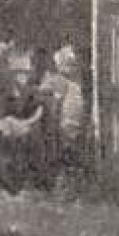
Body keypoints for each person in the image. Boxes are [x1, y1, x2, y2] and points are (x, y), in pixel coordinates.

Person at [37, 45, 88, 193]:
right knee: (71, 154)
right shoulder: (76, 82)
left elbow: (42, 92)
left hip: (66, 124)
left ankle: (64, 186)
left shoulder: (60, 80)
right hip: (75, 124)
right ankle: (71, 186)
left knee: (62, 154)